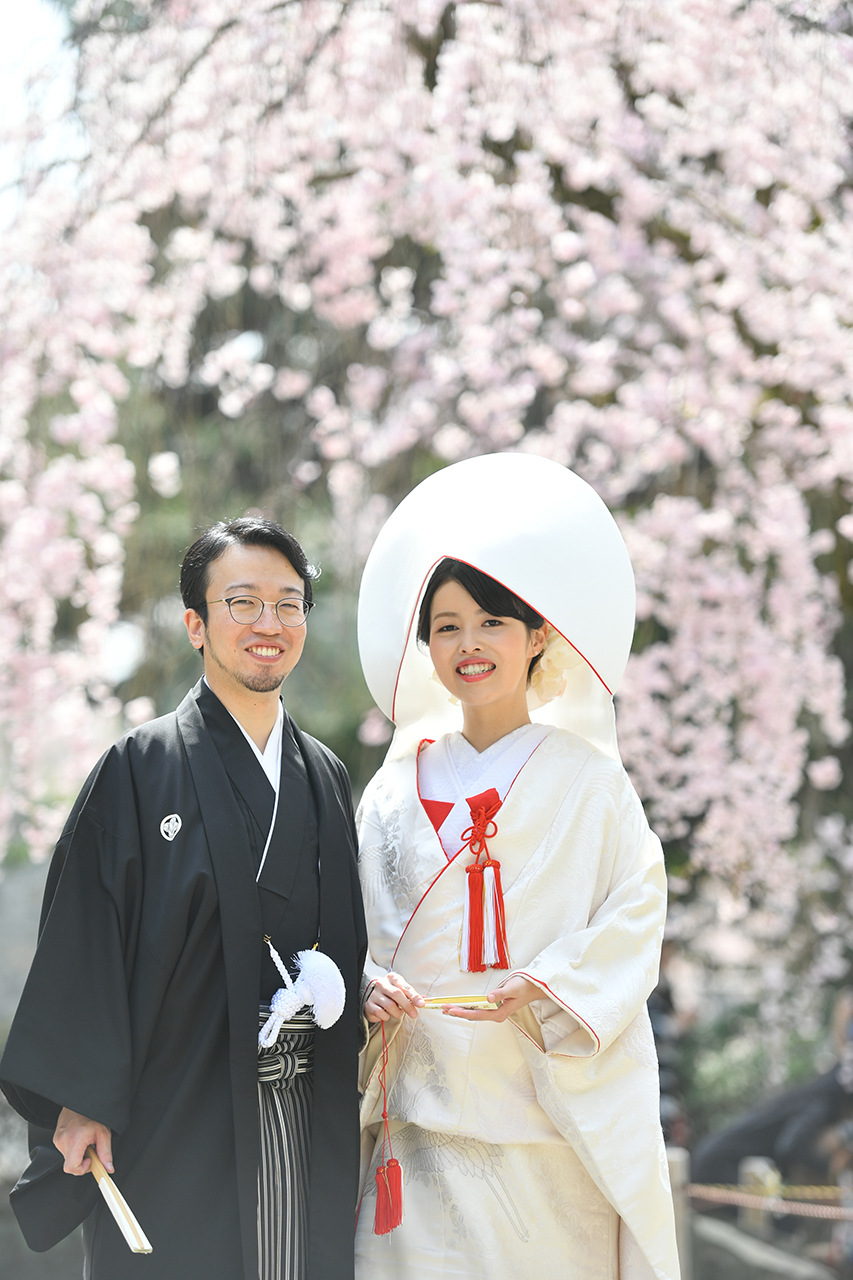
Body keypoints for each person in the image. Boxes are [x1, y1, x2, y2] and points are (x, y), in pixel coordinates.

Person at [0, 517, 367, 1280]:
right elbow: (84, 943)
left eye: (288, 604)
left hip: (304, 1119)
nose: (269, 624)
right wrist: (80, 1099)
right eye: (243, 602)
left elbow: (339, 941)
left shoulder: (325, 776)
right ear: (196, 624)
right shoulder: (138, 770)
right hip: (175, 1123)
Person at [353, 454, 681, 1279]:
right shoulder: (390, 791)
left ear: (538, 637)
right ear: (426, 646)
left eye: (492, 621)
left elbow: (636, 913)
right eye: (446, 626)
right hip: (417, 1129)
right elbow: (348, 922)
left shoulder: (592, 782)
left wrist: (551, 985)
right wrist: (364, 982)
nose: (468, 644)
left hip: (544, 1131)